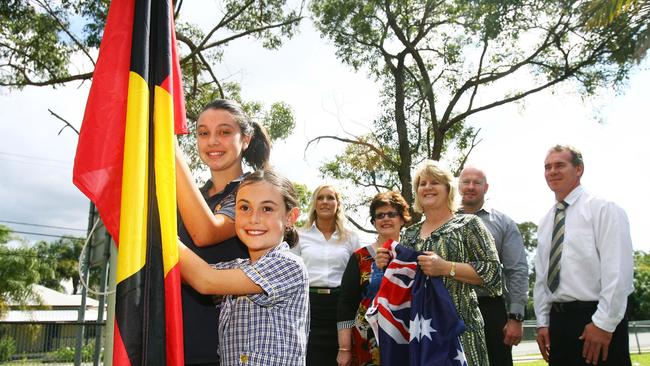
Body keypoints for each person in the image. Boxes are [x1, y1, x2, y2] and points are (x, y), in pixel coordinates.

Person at [377, 160, 502, 366]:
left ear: (448, 188)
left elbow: (494, 275)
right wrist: (388, 266)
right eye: (422, 183)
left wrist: (446, 268)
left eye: (434, 182)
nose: (427, 187)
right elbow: (403, 287)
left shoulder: (469, 225)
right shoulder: (409, 234)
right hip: (420, 333)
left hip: (462, 332)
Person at [175, 99, 272, 365]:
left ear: (246, 139)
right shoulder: (193, 196)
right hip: (178, 330)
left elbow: (205, 232)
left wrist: (168, 149)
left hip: (229, 341)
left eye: (224, 132)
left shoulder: (253, 193)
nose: (212, 141)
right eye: (203, 133)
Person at [179, 169, 309, 366]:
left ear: (291, 217)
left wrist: (165, 235)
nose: (253, 218)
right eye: (244, 208)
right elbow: (188, 275)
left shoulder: (288, 265)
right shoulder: (236, 268)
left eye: (267, 209)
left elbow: (205, 280)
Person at [534, 145, 634, 366]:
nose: (552, 171)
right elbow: (542, 277)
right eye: (547, 167)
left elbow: (618, 273)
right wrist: (542, 322)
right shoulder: (546, 221)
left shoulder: (604, 209)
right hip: (558, 323)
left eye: (560, 165)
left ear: (579, 169)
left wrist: (603, 324)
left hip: (596, 318)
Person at [458, 166, 528, 366]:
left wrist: (516, 317)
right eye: (466, 181)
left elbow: (517, 270)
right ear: (458, 184)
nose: (471, 187)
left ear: (485, 187)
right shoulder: (442, 222)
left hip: (490, 309)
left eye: (477, 182)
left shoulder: (503, 223)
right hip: (449, 308)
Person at [336, 191, 412, 366]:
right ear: (374, 222)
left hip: (407, 337)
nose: (385, 219)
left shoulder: (414, 256)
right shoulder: (360, 257)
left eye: (391, 214)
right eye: (379, 216)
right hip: (367, 341)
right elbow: (346, 304)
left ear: (402, 219)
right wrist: (344, 348)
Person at [293, 184, 360, 365]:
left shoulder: (351, 238)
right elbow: (291, 273)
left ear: (338, 203)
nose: (325, 202)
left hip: (341, 307)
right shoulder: (300, 235)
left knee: (342, 359)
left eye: (330, 198)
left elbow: (358, 275)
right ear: (314, 203)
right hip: (308, 306)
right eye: (320, 198)